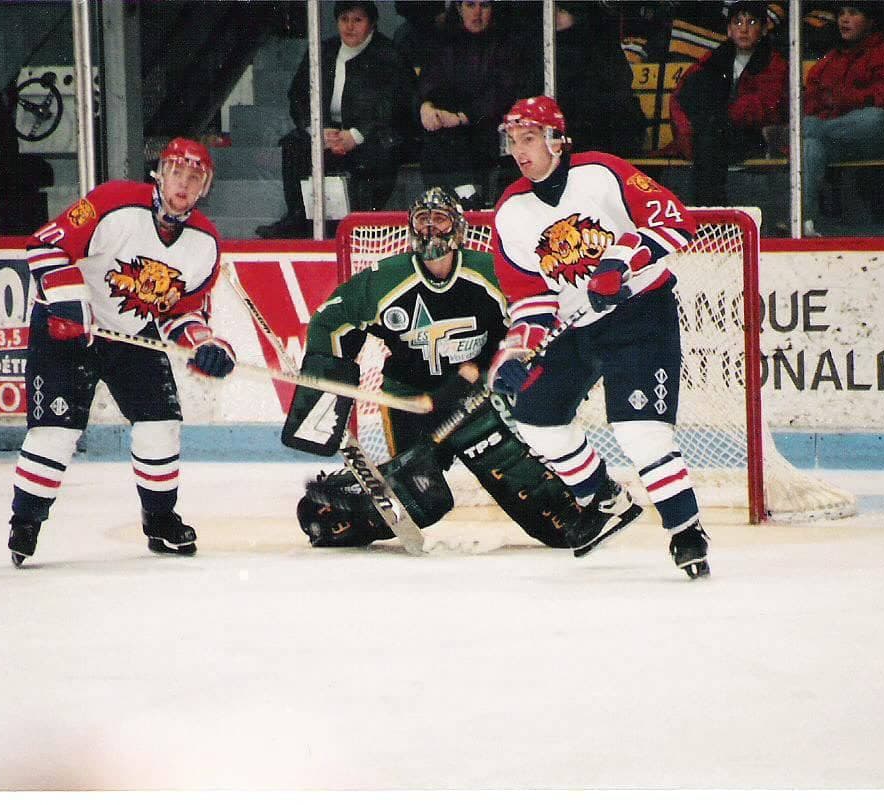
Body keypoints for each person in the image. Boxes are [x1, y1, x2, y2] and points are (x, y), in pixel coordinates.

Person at [282, 187, 580, 550]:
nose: (430, 230)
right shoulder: (385, 280)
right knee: (422, 495)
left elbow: (531, 316)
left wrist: (501, 363)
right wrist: (330, 384)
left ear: (458, 228)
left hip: (470, 399)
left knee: (519, 479)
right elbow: (331, 322)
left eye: (439, 220)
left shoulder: (490, 272)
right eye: (422, 221)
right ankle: (343, 514)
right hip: (409, 398)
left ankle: (573, 509)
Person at [488, 95, 711, 579]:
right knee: (536, 416)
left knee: (639, 431)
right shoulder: (511, 211)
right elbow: (530, 298)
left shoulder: (601, 172)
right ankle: (604, 499)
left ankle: (686, 529)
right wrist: (517, 351)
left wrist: (619, 262)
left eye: (529, 138)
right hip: (576, 327)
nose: (520, 151)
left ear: (555, 139)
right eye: (513, 141)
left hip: (639, 314)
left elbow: (675, 220)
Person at [6, 137, 236, 565]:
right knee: (56, 432)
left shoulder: (205, 243)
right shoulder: (113, 201)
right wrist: (70, 301)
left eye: (194, 177)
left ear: (205, 187)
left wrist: (206, 346)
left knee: (161, 423)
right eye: (176, 172)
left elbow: (180, 314)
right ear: (160, 173)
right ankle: (26, 520)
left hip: (132, 334)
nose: (183, 183)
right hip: (68, 328)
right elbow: (44, 245)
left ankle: (160, 520)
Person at [256, 1, 414, 239]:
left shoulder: (389, 54)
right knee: (294, 144)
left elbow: (395, 104)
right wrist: (316, 128)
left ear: (372, 24)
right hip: (328, 130)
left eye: (358, 20)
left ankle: (361, 223)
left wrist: (356, 135)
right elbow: (298, 94)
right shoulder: (324, 50)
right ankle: (299, 216)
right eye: (344, 20)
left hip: (372, 134)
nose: (350, 27)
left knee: (377, 153)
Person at [415, 0, 536, 209]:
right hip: (446, 126)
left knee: (451, 141)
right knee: (437, 139)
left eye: (485, 5)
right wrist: (426, 106)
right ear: (459, 9)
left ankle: (467, 199)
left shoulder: (507, 44)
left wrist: (462, 117)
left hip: (487, 124)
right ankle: (461, 199)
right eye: (470, 5)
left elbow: (502, 94)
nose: (477, 13)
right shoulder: (443, 41)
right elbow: (428, 81)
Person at [668, 0, 787, 205]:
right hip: (711, 132)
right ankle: (709, 212)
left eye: (751, 22)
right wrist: (688, 132)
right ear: (729, 30)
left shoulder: (774, 61)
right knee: (708, 137)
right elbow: (681, 97)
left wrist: (726, 116)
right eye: (737, 23)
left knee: (710, 140)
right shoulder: (712, 59)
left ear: (764, 29)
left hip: (754, 135)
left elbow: (767, 104)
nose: (744, 29)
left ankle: (710, 212)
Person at [801, 2, 884, 237]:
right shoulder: (830, 59)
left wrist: (842, 99)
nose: (844, 19)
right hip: (837, 142)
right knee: (810, 145)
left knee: (874, 119)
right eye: (841, 14)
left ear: (870, 21)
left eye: (853, 13)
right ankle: (805, 222)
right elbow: (811, 99)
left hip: (877, 139)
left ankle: (796, 134)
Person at [553, 2, 647, 158]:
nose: (555, 16)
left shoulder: (598, 45)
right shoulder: (547, 47)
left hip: (603, 136)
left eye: (562, 10)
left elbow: (617, 89)